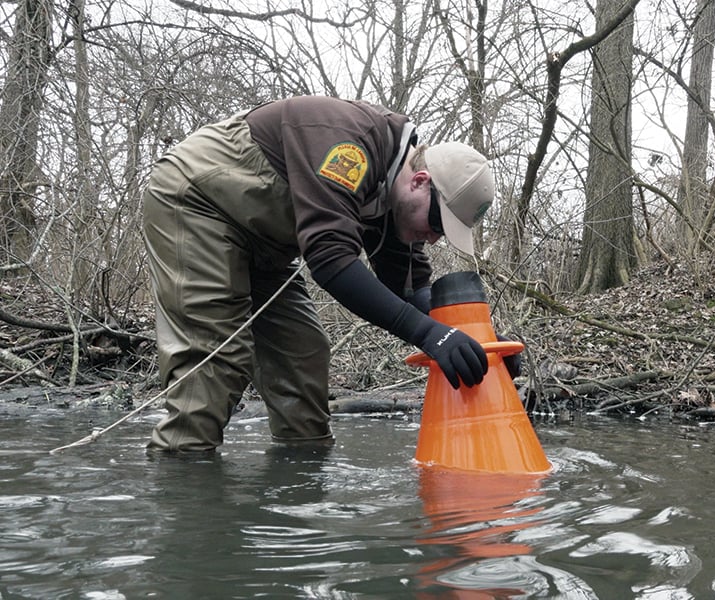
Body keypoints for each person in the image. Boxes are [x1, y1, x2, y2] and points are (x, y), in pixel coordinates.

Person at [142, 95, 496, 452]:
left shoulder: (395, 198)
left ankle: (300, 481)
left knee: (303, 354)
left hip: (266, 243)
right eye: (437, 223)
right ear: (420, 181)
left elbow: (412, 291)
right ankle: (183, 483)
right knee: (219, 357)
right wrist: (428, 335)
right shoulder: (351, 147)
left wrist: (480, 346)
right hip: (199, 201)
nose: (433, 238)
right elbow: (331, 261)